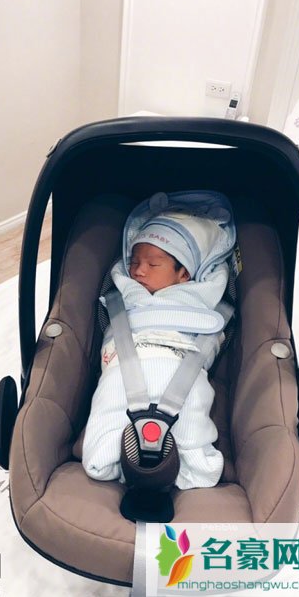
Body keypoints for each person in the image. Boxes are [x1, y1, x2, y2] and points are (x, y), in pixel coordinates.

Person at [82, 190, 236, 490]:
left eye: (153, 265)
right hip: (123, 363)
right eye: (135, 262)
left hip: (183, 362)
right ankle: (118, 459)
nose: (139, 270)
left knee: (193, 412)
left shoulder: (199, 297)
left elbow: (216, 290)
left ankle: (189, 464)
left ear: (184, 274)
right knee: (107, 411)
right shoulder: (124, 292)